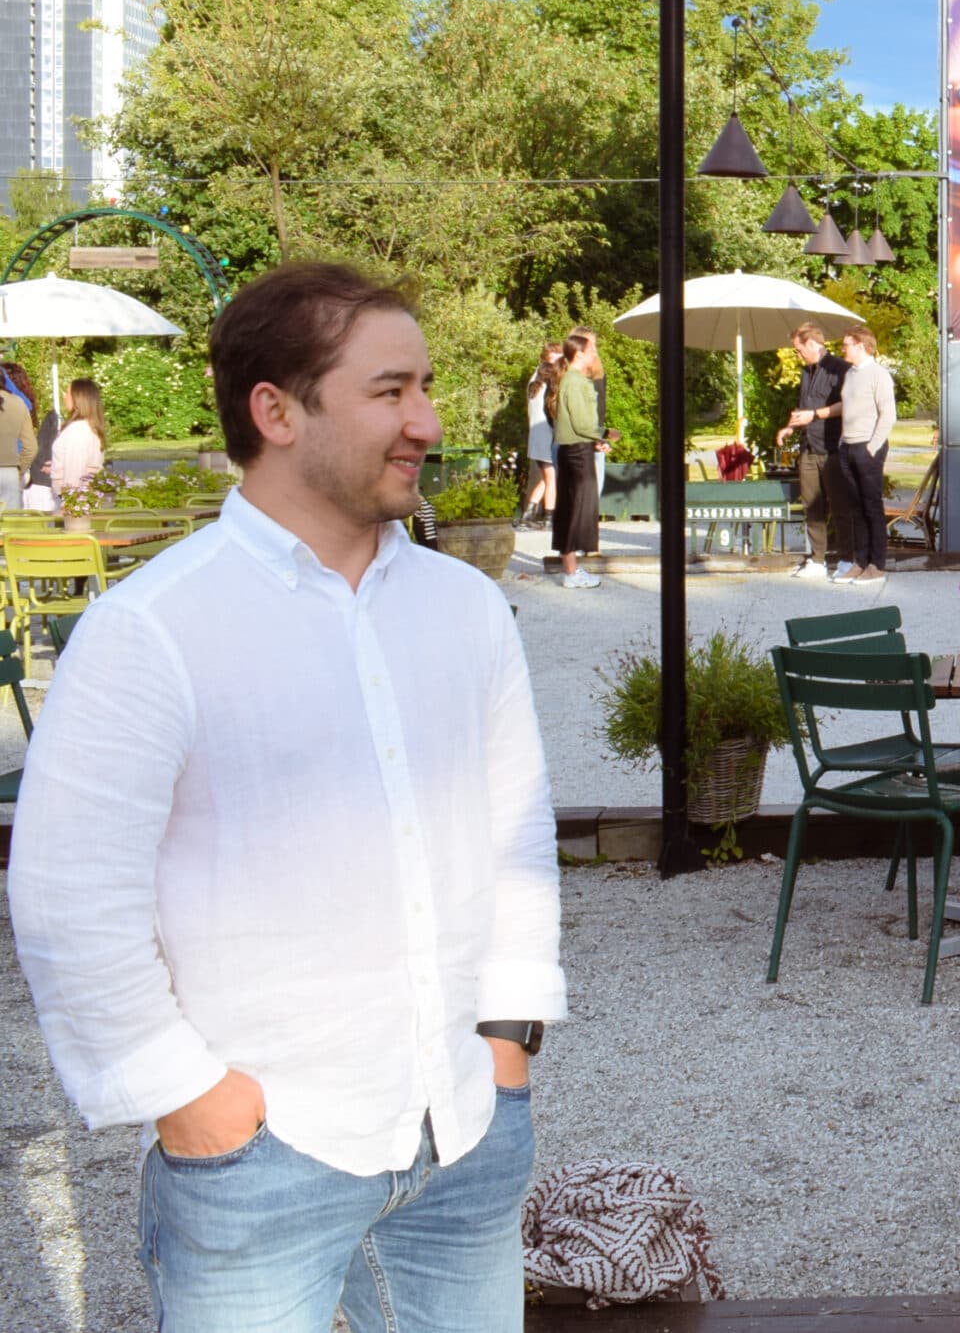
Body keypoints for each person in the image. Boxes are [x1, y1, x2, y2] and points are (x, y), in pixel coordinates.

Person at [5, 260, 565, 1333]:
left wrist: (507, 1040)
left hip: (463, 1132)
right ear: (276, 411)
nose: (427, 420)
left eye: (425, 386)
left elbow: (514, 835)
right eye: (390, 390)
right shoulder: (154, 629)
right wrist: (192, 1099)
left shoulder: (465, 610)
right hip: (261, 1161)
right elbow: (70, 895)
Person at [778, 320, 856, 582]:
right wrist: (789, 427)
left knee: (841, 506)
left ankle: (847, 559)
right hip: (808, 447)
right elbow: (803, 408)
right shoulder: (805, 373)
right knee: (812, 506)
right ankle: (818, 559)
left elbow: (847, 405)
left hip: (832, 447)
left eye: (799, 349)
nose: (798, 354)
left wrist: (814, 415)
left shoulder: (841, 370)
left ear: (812, 343)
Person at [835, 326, 896, 580]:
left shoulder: (878, 374)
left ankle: (876, 564)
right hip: (847, 447)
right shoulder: (850, 374)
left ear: (860, 345)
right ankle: (860, 562)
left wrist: (871, 448)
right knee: (856, 508)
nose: (843, 348)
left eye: (846, 344)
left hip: (867, 448)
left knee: (871, 507)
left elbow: (888, 415)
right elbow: (848, 408)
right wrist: (842, 443)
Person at [549, 332, 602, 589]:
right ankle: (570, 573)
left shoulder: (573, 379)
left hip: (577, 449)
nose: (595, 353)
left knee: (573, 510)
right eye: (592, 349)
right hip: (576, 453)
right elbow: (582, 423)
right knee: (574, 511)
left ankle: (571, 570)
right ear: (579, 353)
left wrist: (596, 440)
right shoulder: (574, 381)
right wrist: (603, 434)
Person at [522, 340, 564, 528]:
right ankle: (549, 517)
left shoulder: (534, 380)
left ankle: (528, 514)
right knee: (551, 477)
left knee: (546, 477)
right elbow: (552, 411)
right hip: (545, 433)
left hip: (535, 435)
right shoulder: (549, 378)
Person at [48, 376, 107, 501]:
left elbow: (75, 471)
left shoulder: (78, 430)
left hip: (73, 500)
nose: (64, 396)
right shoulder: (88, 427)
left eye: (68, 393)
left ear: (79, 399)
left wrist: (71, 500)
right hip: (80, 497)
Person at [0, 361, 35, 508]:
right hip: (9, 471)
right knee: (10, 523)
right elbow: (31, 447)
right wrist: (19, 470)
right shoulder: (19, 403)